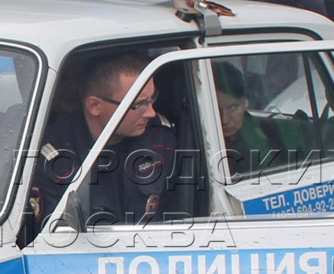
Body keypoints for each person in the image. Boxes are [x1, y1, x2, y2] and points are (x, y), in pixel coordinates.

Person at [26, 54, 203, 235]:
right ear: (95, 105)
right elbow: (50, 237)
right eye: (138, 105)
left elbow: (178, 215)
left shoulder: (160, 140)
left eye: (152, 99)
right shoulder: (52, 156)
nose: (151, 112)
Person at [213, 61, 287, 179]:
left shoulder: (268, 135)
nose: (224, 120)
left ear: (245, 102)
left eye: (233, 107)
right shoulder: (197, 141)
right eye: (215, 109)